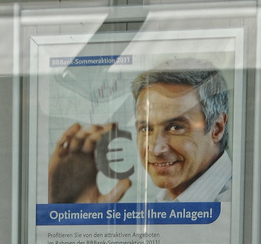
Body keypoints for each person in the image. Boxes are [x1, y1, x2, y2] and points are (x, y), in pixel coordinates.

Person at [48, 60, 231, 205]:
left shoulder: (236, 203)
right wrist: (73, 215)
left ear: (217, 128)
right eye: (146, 128)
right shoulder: (165, 201)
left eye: (175, 127)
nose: (155, 149)